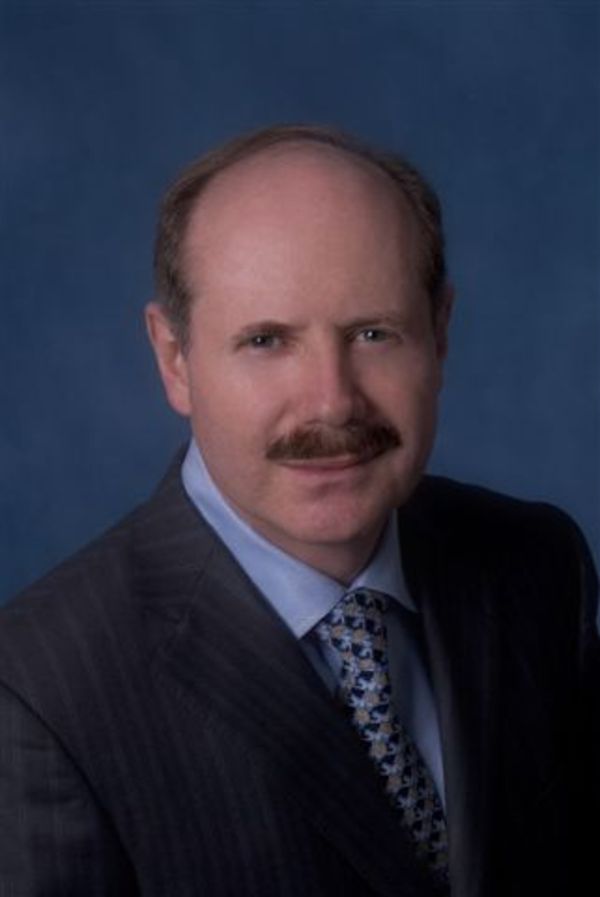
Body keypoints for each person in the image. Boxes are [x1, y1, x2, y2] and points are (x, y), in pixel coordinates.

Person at [0, 124, 597, 897]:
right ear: (174, 359)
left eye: (374, 333)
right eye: (266, 341)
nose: (331, 401)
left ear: (440, 334)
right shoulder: (39, 696)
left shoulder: (536, 565)